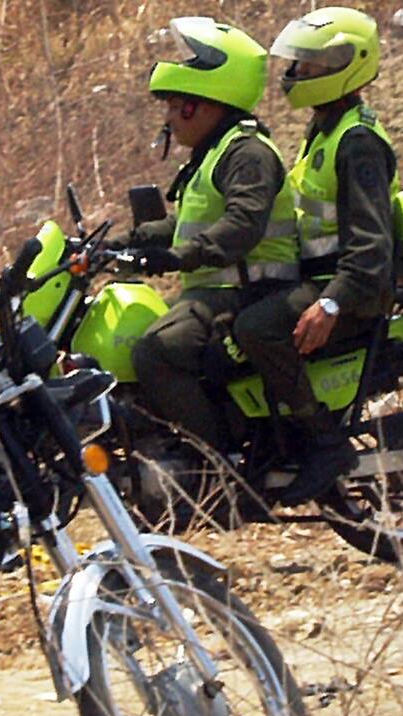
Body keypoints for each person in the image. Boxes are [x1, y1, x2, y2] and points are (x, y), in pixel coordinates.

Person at [233, 7, 397, 505]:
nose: (297, 73)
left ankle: (324, 443)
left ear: (346, 65)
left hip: (355, 289)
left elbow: (371, 246)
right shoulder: (326, 129)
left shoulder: (358, 142)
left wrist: (330, 305)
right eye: (298, 62)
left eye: (311, 64)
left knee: (256, 328)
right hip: (323, 277)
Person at [128, 17, 299, 451]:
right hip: (219, 291)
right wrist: (128, 243)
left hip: (252, 291)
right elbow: (190, 222)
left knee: (156, 350)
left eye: (174, 104)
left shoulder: (249, 153)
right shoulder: (214, 153)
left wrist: (180, 256)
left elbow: (242, 226)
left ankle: (214, 467)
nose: (168, 118)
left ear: (205, 102)